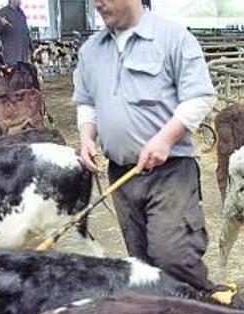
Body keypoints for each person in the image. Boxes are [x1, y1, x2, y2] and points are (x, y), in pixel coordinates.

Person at [73, 0, 218, 293]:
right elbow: (86, 101)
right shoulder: (91, 50)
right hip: (122, 174)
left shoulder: (174, 38)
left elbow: (200, 96)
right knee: (142, 264)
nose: (97, 3)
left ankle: (200, 312)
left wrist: (165, 138)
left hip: (170, 172)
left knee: (174, 255)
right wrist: (87, 137)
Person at [0, 0, 31, 64]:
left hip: (23, 53)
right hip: (11, 53)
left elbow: (26, 30)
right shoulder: (2, 12)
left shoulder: (21, 12)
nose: (20, 1)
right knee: (13, 72)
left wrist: (30, 46)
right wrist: (1, 23)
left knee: (23, 71)